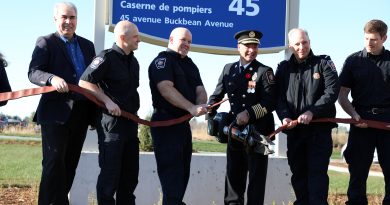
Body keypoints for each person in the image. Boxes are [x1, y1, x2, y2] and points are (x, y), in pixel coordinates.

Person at [27, 2, 96, 204]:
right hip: (55, 114)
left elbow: (93, 77)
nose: (68, 22)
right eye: (64, 17)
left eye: (72, 17)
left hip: (81, 114)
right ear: (55, 19)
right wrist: (51, 79)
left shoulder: (87, 45)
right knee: (53, 163)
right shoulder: (45, 42)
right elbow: (33, 72)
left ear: (77, 20)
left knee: (69, 164)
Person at [208, 30, 276, 205]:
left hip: (258, 135)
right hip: (235, 132)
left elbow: (270, 102)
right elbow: (216, 96)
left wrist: (249, 113)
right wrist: (210, 115)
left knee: (256, 184)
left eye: (255, 46)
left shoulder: (265, 72)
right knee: (233, 180)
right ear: (238, 47)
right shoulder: (228, 69)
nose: (251, 50)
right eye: (247, 46)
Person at [275, 28, 340, 204]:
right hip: (295, 133)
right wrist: (284, 116)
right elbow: (278, 97)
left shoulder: (324, 63)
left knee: (317, 177)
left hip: (319, 132)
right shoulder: (283, 69)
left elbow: (332, 91)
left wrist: (312, 111)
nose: (301, 46)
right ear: (290, 47)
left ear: (309, 42)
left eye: (305, 42)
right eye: (297, 44)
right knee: (299, 176)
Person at [79, 20, 141, 204]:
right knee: (109, 179)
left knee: (129, 179)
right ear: (123, 38)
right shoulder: (106, 57)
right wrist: (107, 101)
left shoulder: (134, 61)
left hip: (131, 126)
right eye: (136, 37)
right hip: (111, 128)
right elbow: (84, 82)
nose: (139, 40)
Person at [148, 27, 208, 205]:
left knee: (182, 177)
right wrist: (191, 107)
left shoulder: (190, 64)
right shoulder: (162, 62)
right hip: (165, 124)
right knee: (172, 180)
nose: (187, 44)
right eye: (184, 40)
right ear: (171, 39)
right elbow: (166, 89)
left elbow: (200, 90)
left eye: (189, 41)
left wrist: (200, 105)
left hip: (182, 126)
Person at [338, 19, 390, 205]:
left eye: (374, 39)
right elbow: (342, 95)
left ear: (384, 38)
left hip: (387, 123)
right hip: (360, 121)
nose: (369, 42)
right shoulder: (353, 61)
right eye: (366, 38)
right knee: (357, 173)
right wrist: (353, 114)